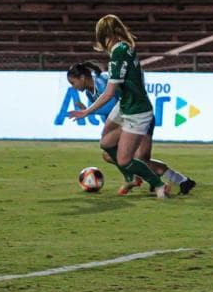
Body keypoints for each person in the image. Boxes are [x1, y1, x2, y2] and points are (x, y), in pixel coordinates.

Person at [68, 15, 196, 199]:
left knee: (134, 160)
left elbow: (110, 94)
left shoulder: (114, 60)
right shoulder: (122, 51)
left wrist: (88, 111)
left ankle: (169, 181)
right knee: (108, 148)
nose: (74, 87)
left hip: (136, 112)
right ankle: (137, 177)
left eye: (73, 82)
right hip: (127, 107)